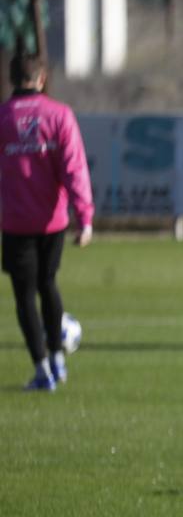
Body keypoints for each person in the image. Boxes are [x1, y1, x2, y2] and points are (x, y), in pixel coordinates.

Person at [0, 52, 93, 392]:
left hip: (15, 223)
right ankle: (58, 360)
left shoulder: (3, 118)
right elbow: (74, 169)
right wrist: (85, 218)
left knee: (24, 295)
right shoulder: (59, 115)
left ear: (12, 80)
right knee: (48, 284)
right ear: (41, 79)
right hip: (53, 222)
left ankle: (42, 370)